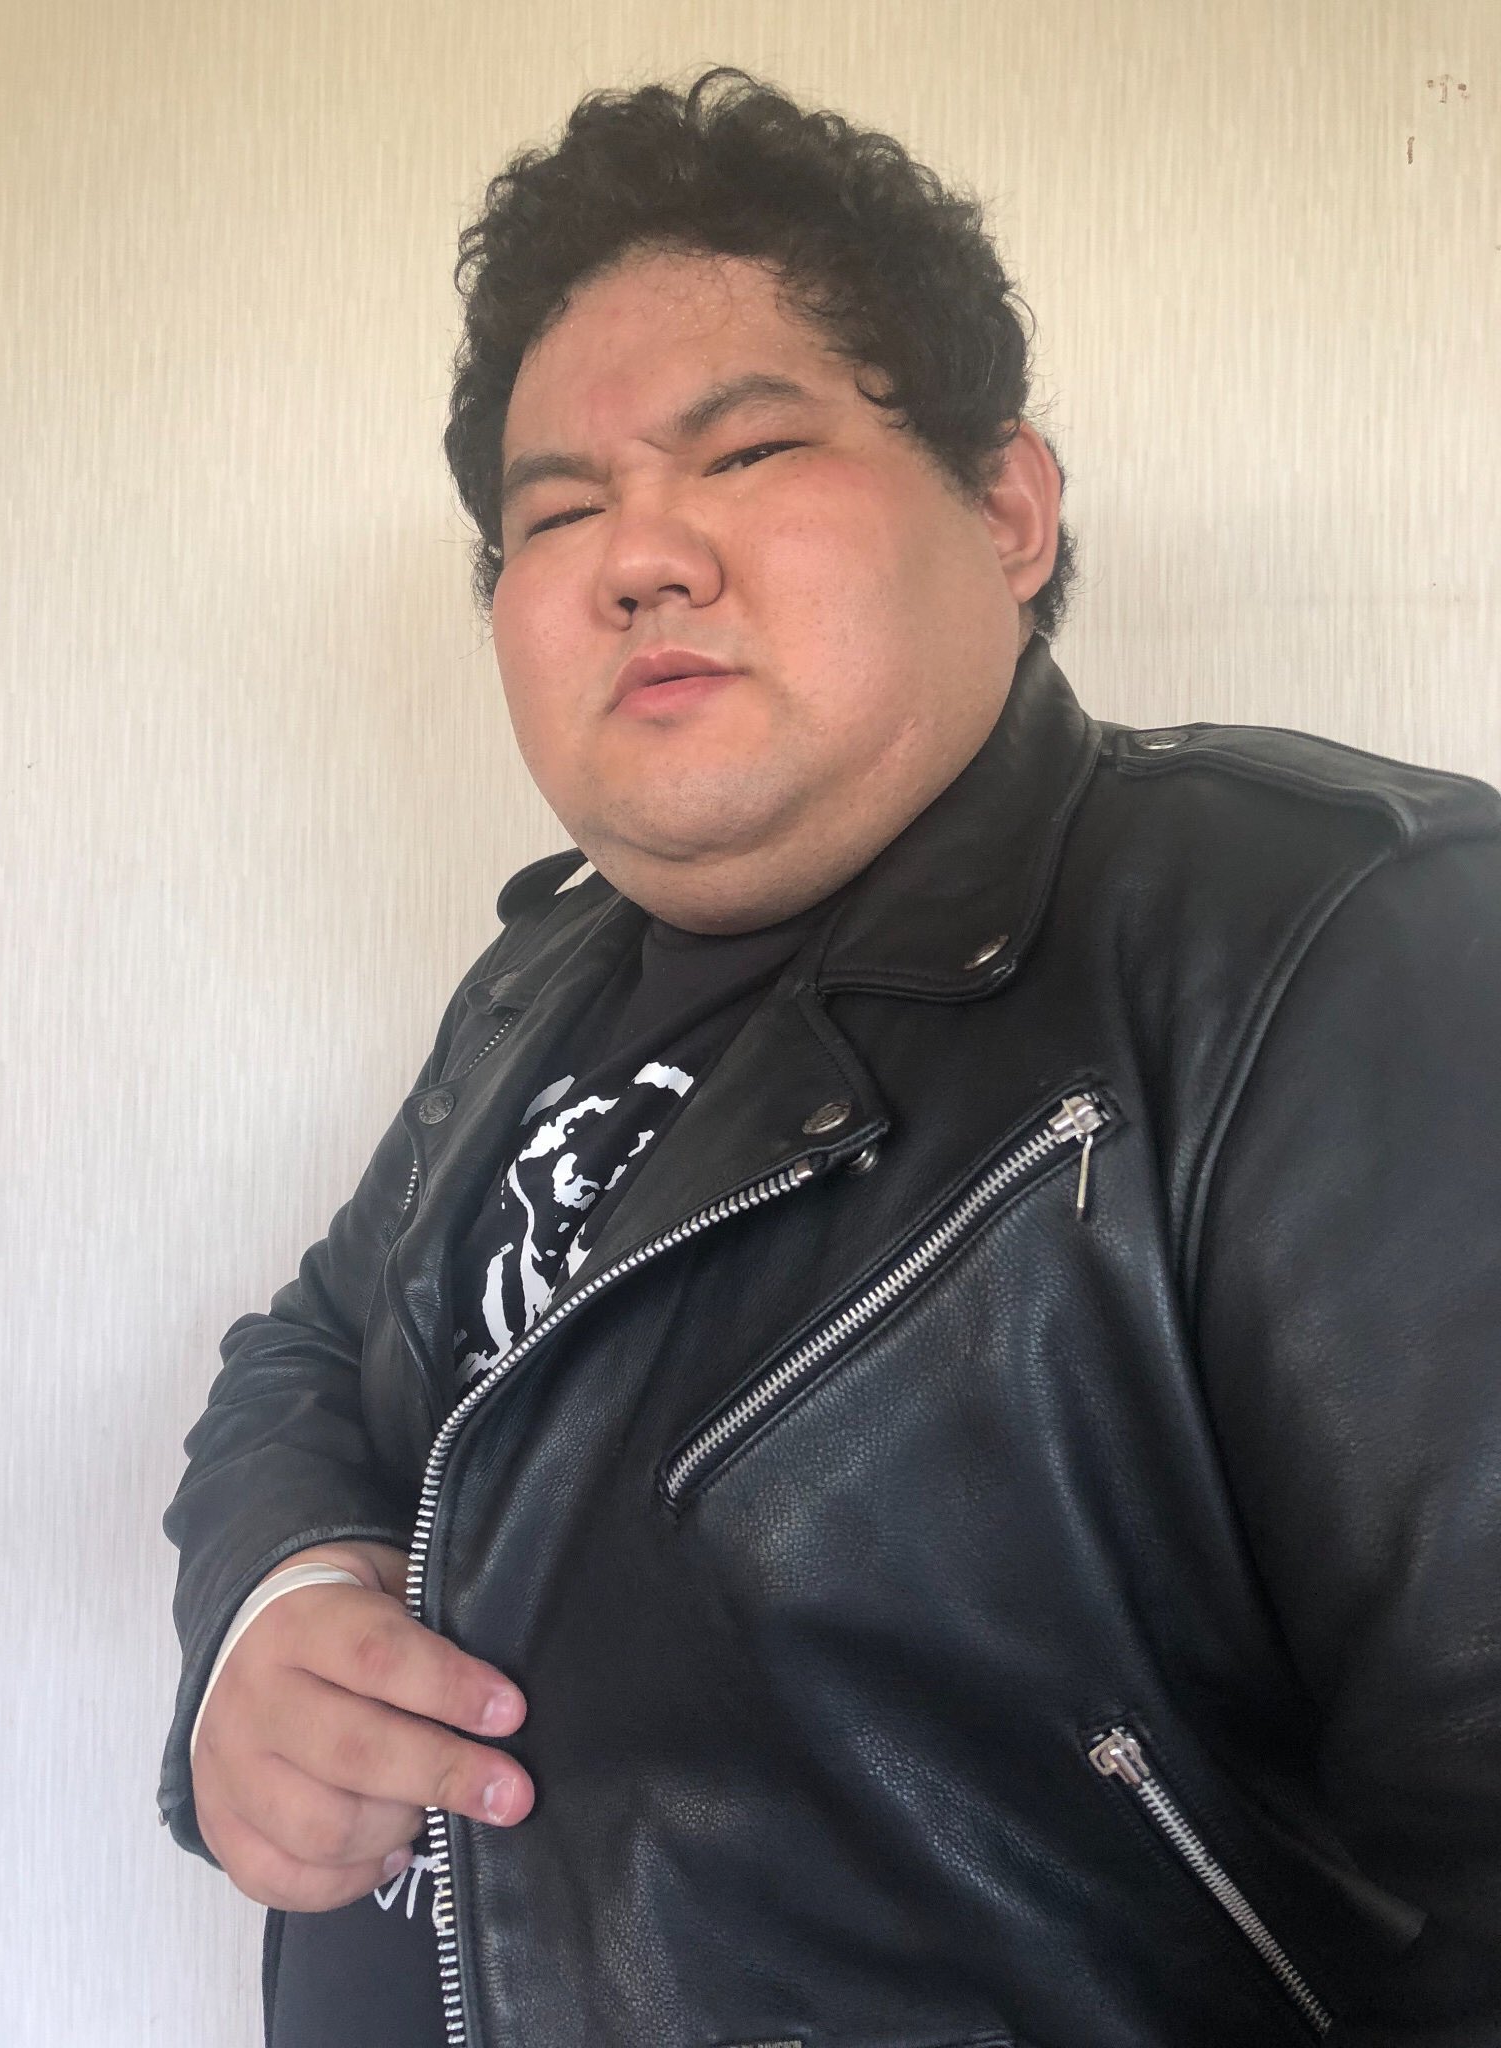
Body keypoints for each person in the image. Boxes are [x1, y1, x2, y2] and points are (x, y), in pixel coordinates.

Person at [160, 66, 1501, 2048]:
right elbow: (312, 1349)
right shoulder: (536, 979)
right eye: (557, 512)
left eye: (750, 449)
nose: (640, 556)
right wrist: (274, 1600)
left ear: (1006, 507)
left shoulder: (1339, 940)